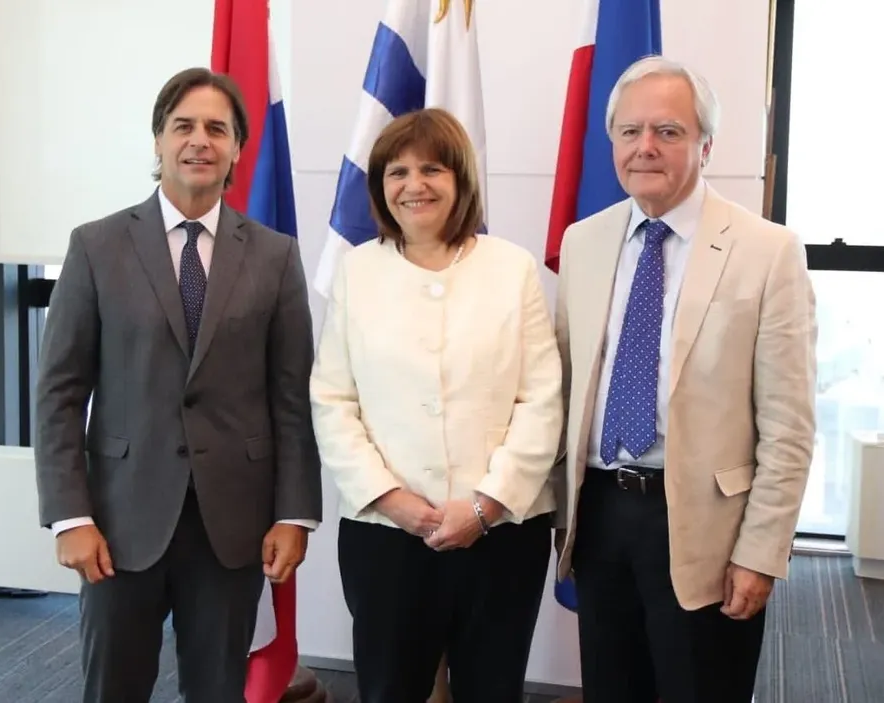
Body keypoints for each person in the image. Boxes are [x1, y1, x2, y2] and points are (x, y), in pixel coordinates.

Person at [33, 67, 322, 703]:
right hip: (118, 522)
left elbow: (290, 399)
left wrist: (294, 513)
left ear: (238, 149)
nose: (200, 140)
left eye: (217, 129)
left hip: (233, 525)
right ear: (158, 140)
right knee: (115, 687)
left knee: (219, 690)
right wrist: (68, 516)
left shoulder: (275, 257)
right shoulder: (97, 246)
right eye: (183, 126)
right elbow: (58, 393)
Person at [553, 56, 816, 703]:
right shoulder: (583, 242)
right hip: (601, 512)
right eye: (630, 131)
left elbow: (789, 426)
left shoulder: (767, 250)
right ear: (611, 141)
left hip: (706, 521)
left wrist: (761, 551)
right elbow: (562, 387)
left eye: (668, 131)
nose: (645, 146)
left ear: (705, 144)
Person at [310, 107, 562, 703]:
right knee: (389, 688)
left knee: (490, 688)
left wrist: (485, 505)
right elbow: (332, 399)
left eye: (431, 169)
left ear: (461, 181)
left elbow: (542, 397)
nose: (413, 185)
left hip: (501, 532)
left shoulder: (511, 267)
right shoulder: (357, 270)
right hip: (385, 534)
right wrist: (394, 501)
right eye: (396, 171)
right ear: (378, 185)